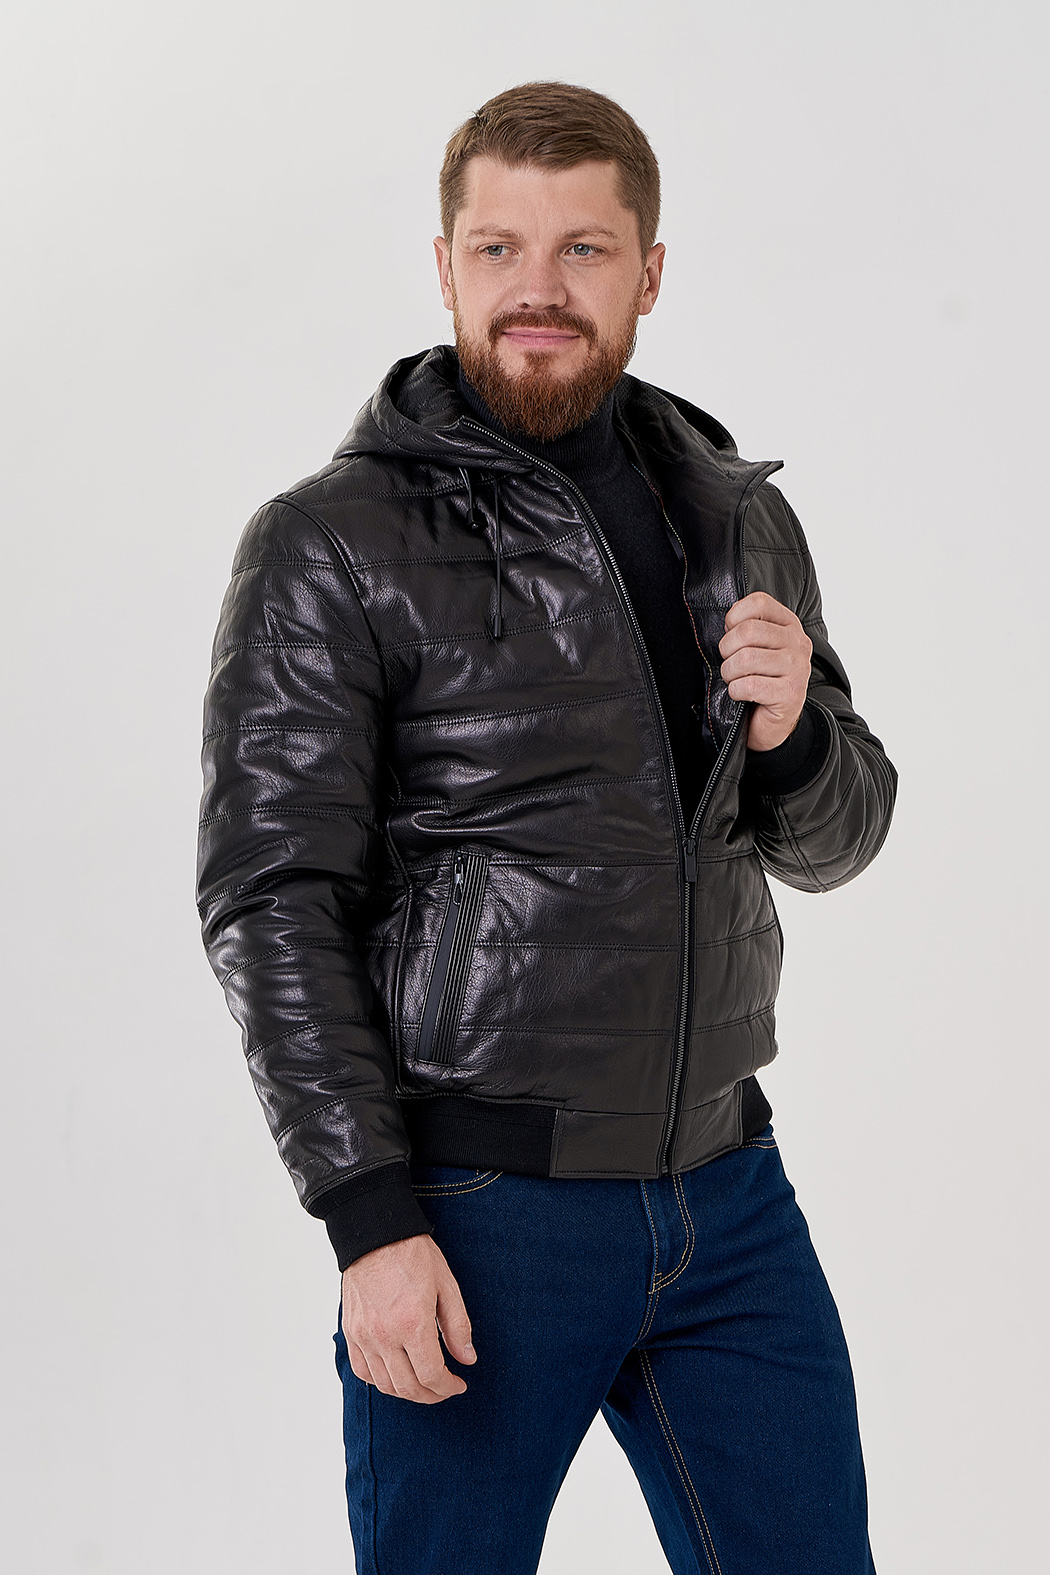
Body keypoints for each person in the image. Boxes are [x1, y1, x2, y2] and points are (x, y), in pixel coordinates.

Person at [197, 80, 896, 1575]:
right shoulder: (330, 540)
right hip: (477, 1214)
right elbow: (272, 896)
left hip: (728, 1195)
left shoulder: (736, 514)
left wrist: (795, 734)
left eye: (583, 249)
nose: (538, 289)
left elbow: (839, 840)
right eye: (498, 248)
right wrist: (369, 1221)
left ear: (648, 273)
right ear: (444, 266)